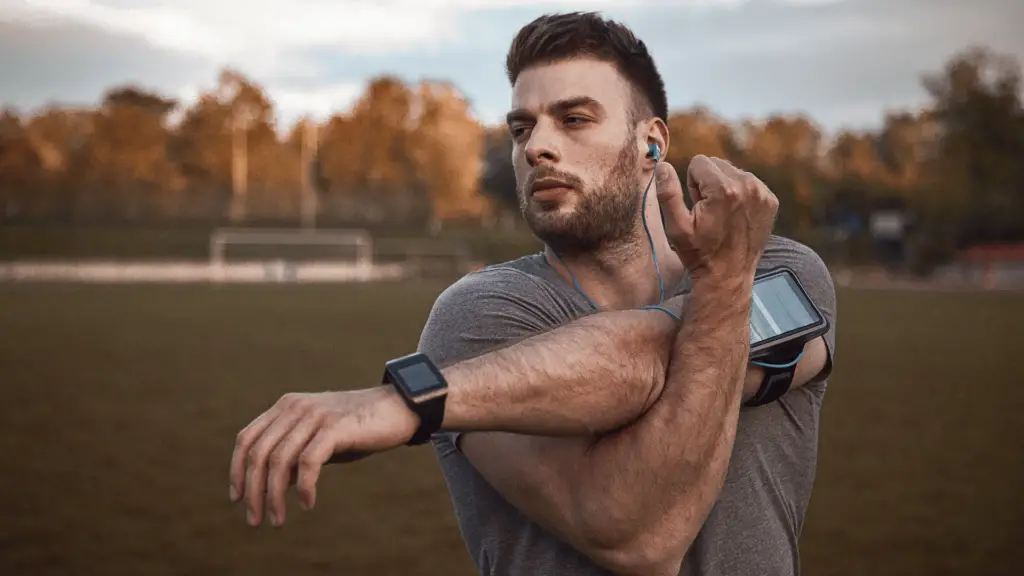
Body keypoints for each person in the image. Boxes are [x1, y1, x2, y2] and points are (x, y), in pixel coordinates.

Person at [228, 11, 837, 576]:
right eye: (522, 127)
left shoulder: (779, 268)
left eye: (574, 119)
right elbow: (635, 535)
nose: (535, 146)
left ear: (651, 143)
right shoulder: (478, 316)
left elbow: (652, 352)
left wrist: (417, 400)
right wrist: (721, 294)